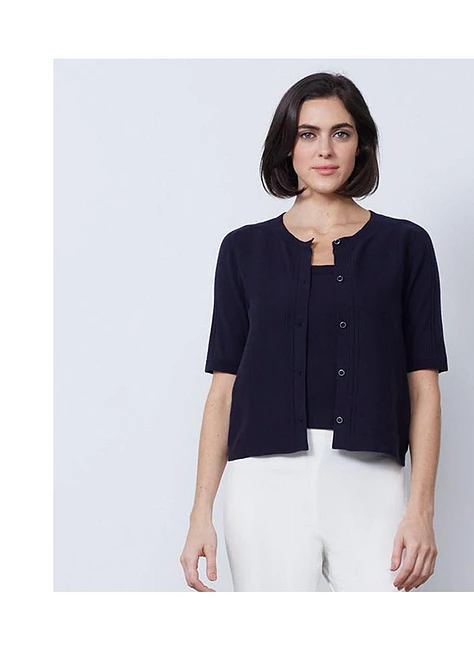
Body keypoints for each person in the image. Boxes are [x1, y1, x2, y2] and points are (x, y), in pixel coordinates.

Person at [180, 71, 448, 592]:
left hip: (371, 481)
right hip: (263, 483)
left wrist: (420, 510)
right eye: (308, 134)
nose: (325, 149)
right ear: (288, 146)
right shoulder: (243, 251)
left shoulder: (405, 246)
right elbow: (223, 391)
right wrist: (199, 514)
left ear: (360, 145)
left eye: (340, 133)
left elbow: (424, 389)